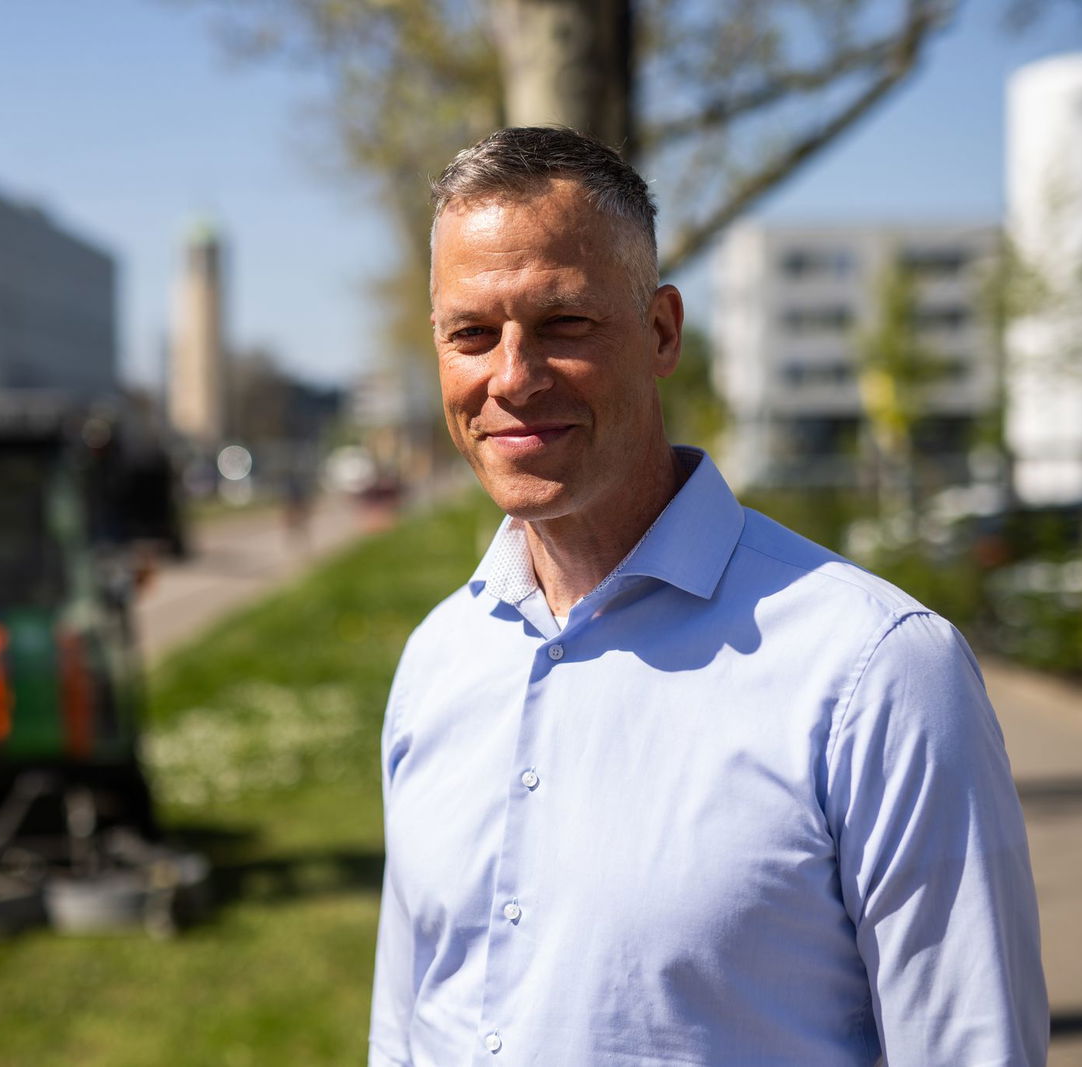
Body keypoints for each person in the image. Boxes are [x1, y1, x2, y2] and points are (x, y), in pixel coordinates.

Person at [368, 126, 1046, 1066]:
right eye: (471, 333)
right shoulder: (439, 660)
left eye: (565, 324)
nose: (512, 377)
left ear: (661, 332)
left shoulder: (877, 672)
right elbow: (406, 1031)